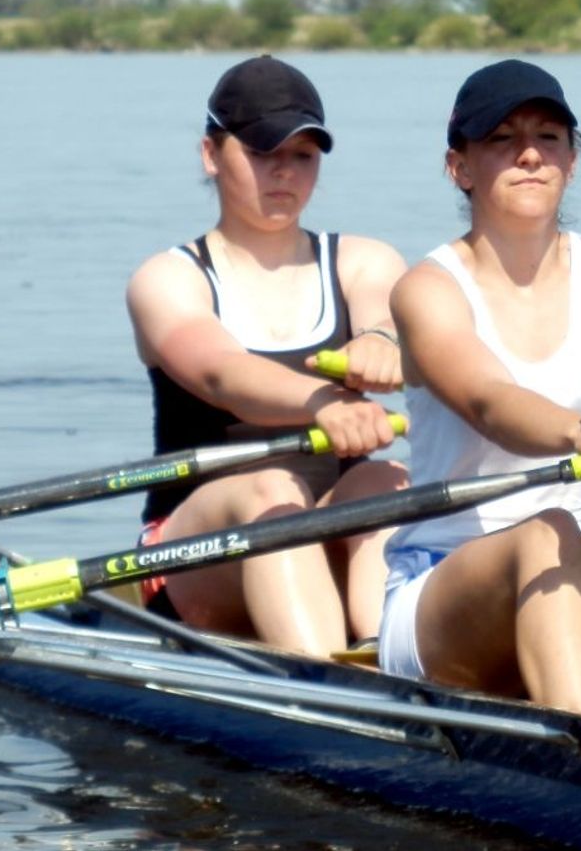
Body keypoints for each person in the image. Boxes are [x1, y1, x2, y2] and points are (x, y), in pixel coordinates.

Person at [380, 59, 581, 715]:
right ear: (459, 167)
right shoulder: (429, 289)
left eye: (549, 137)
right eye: (503, 138)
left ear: (572, 161)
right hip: (443, 595)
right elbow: (489, 401)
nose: (530, 154)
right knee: (546, 528)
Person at [126, 55, 408, 657]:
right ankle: (327, 690)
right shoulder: (168, 279)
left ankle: (383, 655)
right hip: (194, 558)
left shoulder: (363, 261)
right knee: (272, 491)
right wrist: (324, 402)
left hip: (319, 538)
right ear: (210, 154)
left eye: (303, 156)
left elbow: (388, 316)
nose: (284, 173)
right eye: (261, 152)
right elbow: (221, 374)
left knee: (387, 477)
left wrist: (382, 342)